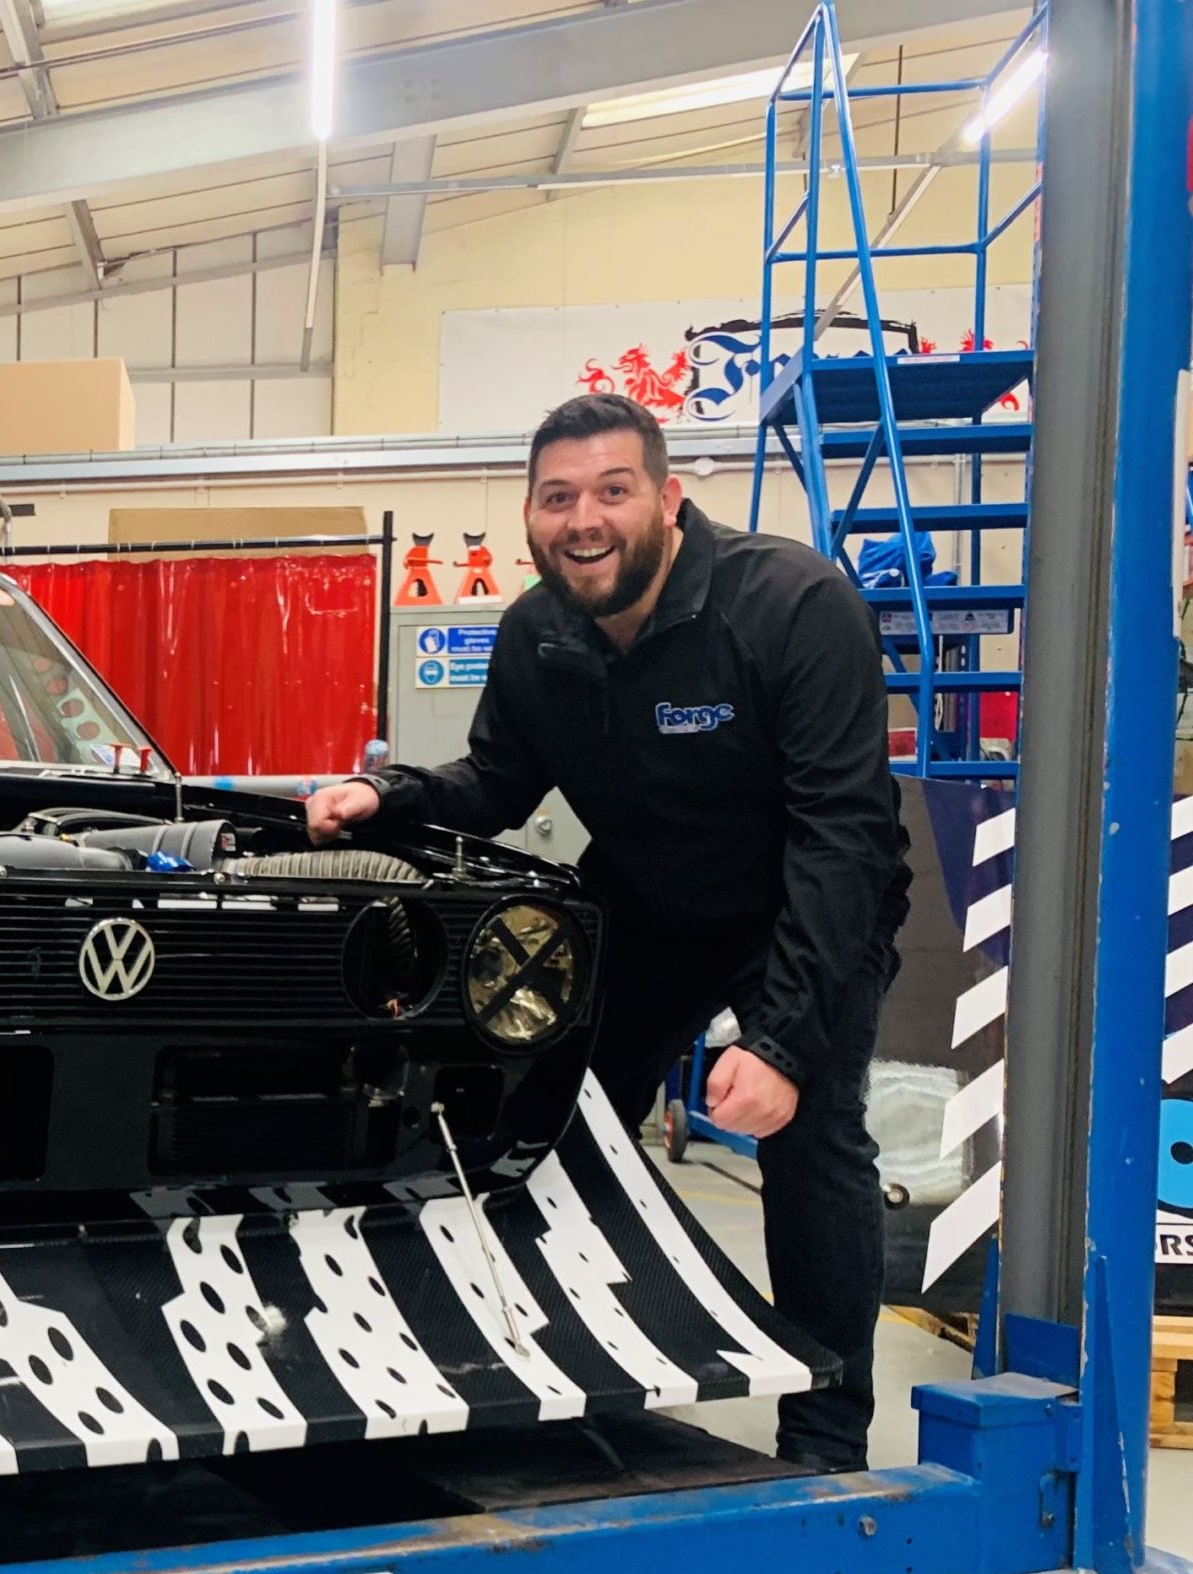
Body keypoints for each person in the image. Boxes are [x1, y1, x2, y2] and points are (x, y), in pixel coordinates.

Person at [308, 392, 910, 1472]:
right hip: (646, 904)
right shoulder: (536, 634)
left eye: (612, 491)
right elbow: (497, 782)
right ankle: (561, 1373)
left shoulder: (791, 605)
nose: (583, 519)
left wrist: (779, 1042)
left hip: (804, 903)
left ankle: (825, 1436)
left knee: (811, 1136)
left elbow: (843, 835)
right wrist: (388, 797)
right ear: (530, 518)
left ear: (668, 501)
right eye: (557, 498)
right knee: (545, 1110)